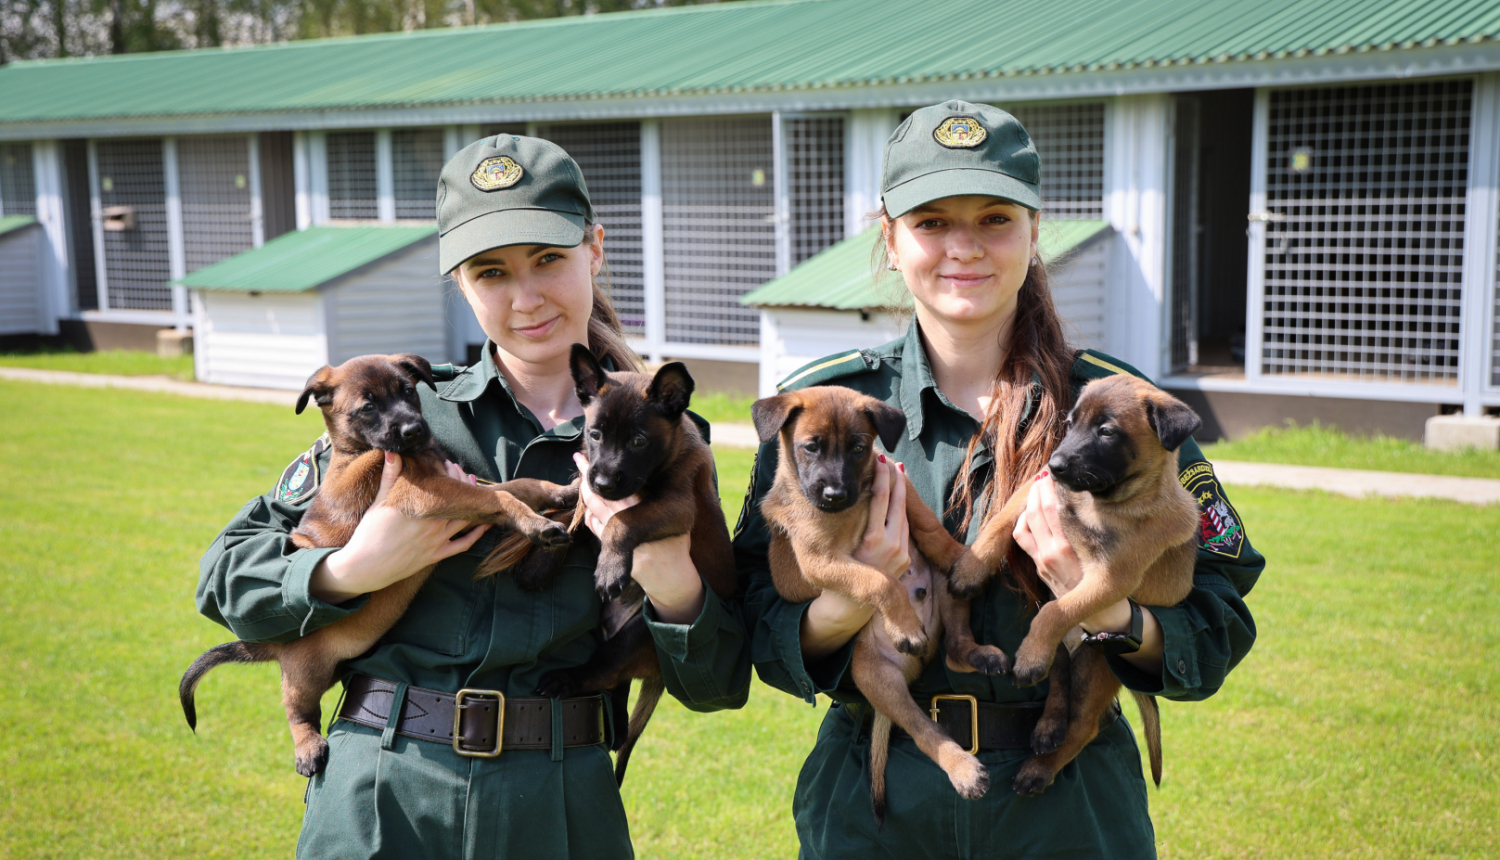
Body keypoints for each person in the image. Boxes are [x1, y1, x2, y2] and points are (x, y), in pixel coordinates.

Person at [196, 134, 750, 859]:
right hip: (381, 794)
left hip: (558, 806)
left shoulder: (670, 444)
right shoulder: (410, 413)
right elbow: (224, 579)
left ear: (596, 248)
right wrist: (349, 571)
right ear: (460, 282)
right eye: (491, 272)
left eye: (548, 259)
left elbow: (718, 683)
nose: (526, 298)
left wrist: (670, 579)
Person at [734, 100, 1264, 859]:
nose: (964, 248)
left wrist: (1108, 607)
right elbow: (749, 610)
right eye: (932, 222)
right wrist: (853, 599)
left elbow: (1220, 613)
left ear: (1034, 229)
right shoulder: (820, 412)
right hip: (875, 811)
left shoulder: (1122, 409)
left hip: (1069, 812)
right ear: (889, 236)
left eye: (993, 218)